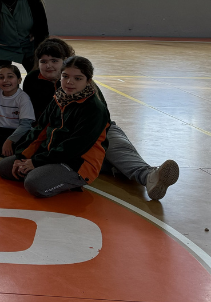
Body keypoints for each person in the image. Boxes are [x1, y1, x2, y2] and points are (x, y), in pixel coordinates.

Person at [24, 37, 179, 201]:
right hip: (57, 135)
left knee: (115, 147)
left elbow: (99, 120)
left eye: (54, 60)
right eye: (44, 61)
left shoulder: (87, 85)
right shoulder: (33, 80)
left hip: (95, 130)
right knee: (90, 155)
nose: (49, 65)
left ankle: (148, 176)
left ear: (65, 62)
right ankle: (114, 169)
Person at [0, 56, 109, 198]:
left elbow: (74, 146)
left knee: (33, 184)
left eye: (78, 78)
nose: (69, 82)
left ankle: (71, 179)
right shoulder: (59, 98)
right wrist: (22, 156)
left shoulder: (94, 109)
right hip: (51, 155)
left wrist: (36, 162)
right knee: (3, 168)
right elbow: (39, 131)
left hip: (77, 162)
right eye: (65, 76)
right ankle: (46, 173)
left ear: (88, 81)